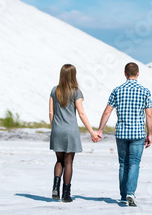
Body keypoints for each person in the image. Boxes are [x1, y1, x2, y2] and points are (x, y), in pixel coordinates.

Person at [97, 62, 152, 207]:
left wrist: (100, 130)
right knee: (134, 163)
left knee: (123, 164)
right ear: (138, 73)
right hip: (138, 133)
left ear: (124, 73)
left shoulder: (117, 90)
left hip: (121, 132)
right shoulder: (145, 91)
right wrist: (150, 134)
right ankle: (130, 193)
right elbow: (149, 115)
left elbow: (107, 112)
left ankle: (123, 196)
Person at [49, 64, 99, 203]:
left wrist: (55, 128)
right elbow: (81, 113)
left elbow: (51, 112)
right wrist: (92, 132)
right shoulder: (76, 92)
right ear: (73, 75)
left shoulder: (54, 90)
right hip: (70, 130)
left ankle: (55, 188)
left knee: (59, 160)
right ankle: (66, 195)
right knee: (69, 162)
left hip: (57, 130)